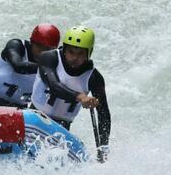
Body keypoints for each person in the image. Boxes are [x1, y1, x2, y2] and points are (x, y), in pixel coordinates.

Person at [31, 26, 111, 161]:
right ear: (65, 49)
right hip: (34, 118)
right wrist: (80, 97)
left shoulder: (94, 77)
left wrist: (103, 148)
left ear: (89, 53)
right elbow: (54, 85)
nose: (74, 57)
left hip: (61, 128)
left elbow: (104, 115)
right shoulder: (49, 58)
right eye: (71, 52)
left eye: (80, 54)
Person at [0, 24, 60, 108]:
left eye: (47, 49)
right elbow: (18, 66)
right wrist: (47, 68)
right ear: (32, 42)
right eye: (39, 46)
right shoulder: (16, 45)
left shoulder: (56, 60)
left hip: (19, 106)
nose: (41, 52)